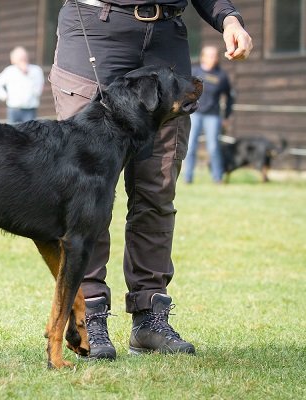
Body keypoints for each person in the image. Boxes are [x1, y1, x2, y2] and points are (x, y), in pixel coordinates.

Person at [49, 0, 252, 360]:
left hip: (166, 38)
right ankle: (87, 316)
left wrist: (229, 19)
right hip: (95, 30)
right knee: (87, 195)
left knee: (157, 191)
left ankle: (149, 318)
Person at [184, 45, 234, 184]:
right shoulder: (194, 72)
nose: (212, 58)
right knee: (190, 146)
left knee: (213, 147)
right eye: (209, 56)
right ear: (203, 57)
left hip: (213, 116)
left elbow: (230, 97)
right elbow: (185, 92)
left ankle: (217, 178)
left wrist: (226, 116)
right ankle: (187, 178)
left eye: (214, 56)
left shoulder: (221, 75)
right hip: (195, 114)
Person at [0, 46, 45, 123]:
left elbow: (38, 91)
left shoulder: (36, 70)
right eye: (19, 58)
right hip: (13, 109)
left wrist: (27, 74)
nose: (22, 59)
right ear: (13, 60)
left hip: (30, 110)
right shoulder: (10, 71)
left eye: (23, 57)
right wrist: (4, 96)